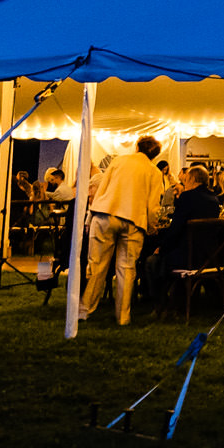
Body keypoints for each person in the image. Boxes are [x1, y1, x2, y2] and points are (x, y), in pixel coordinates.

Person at [80, 136, 166, 326]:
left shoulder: (119, 161)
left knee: (97, 266)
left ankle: (85, 311)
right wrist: (152, 226)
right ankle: (123, 317)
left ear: (137, 146)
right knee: (127, 269)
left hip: (105, 214)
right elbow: (153, 206)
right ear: (155, 155)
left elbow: (102, 188)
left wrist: (91, 215)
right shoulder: (154, 171)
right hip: (134, 221)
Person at [152, 164, 224, 286]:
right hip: (209, 256)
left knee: (152, 261)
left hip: (188, 256)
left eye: (186, 180)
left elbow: (176, 229)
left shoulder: (187, 196)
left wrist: (162, 247)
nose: (184, 184)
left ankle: (161, 301)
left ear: (192, 179)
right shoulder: (214, 199)